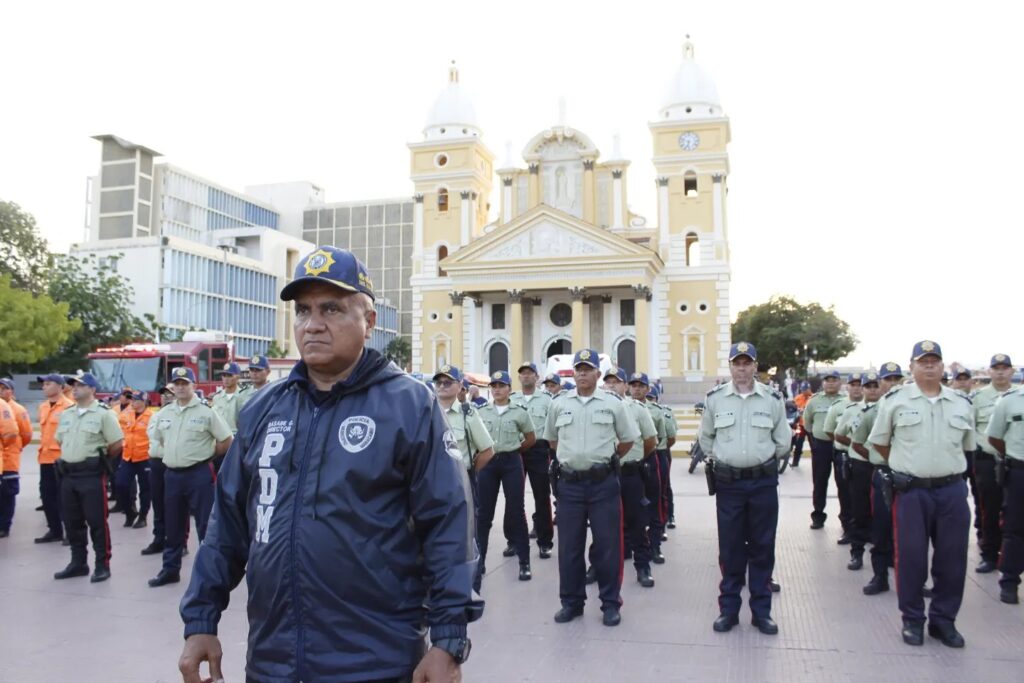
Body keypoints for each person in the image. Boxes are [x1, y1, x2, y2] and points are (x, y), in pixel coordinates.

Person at [179, 246, 481, 682]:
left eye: (332, 308)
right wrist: (201, 620)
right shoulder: (264, 408)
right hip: (273, 661)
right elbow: (227, 524)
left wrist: (449, 642)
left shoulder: (408, 405)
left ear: (369, 321)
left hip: (375, 661)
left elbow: (449, 525)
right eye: (303, 311)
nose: (313, 324)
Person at [868, 341, 973, 648]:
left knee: (952, 559)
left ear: (943, 367)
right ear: (911, 367)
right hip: (912, 492)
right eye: (922, 361)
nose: (929, 366)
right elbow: (881, 443)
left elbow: (967, 446)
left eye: (934, 361)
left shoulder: (961, 403)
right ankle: (913, 620)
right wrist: (906, 466)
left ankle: (944, 621)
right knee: (911, 558)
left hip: (952, 489)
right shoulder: (895, 400)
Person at [700, 343, 790, 635]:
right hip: (729, 484)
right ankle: (728, 610)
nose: (741, 368)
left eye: (746, 363)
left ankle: (761, 612)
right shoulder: (715, 399)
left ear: (755, 366)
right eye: (736, 363)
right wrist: (728, 460)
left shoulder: (772, 398)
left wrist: (758, 460)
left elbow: (783, 441)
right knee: (730, 549)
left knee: (763, 547)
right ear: (730, 366)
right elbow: (706, 439)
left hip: (763, 482)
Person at [546, 349, 639, 627]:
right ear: (573, 373)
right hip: (570, 486)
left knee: (608, 547)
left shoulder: (613, 403)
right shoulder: (559, 404)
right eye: (579, 369)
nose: (583, 373)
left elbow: (627, 440)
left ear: (598, 374)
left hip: (603, 485)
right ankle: (571, 603)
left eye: (588, 369)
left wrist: (602, 462)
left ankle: (610, 603)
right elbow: (552, 441)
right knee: (569, 548)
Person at [147, 367, 233, 588]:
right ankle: (170, 569)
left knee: (206, 525)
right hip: (173, 475)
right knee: (172, 524)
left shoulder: (206, 412)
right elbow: (160, 439)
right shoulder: (165, 413)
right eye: (177, 383)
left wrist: (207, 457)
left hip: (198, 474)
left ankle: (210, 573)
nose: (180, 387)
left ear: (194, 385)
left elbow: (225, 440)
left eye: (185, 383)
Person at [53, 373, 124, 582]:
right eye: (73, 385)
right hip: (68, 474)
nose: (75, 388)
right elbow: (60, 441)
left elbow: (116, 444)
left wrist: (97, 461)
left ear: (93, 389)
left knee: (97, 521)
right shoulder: (67, 414)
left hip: (91, 474)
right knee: (72, 521)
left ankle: (102, 564)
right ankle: (78, 562)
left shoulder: (104, 414)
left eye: (81, 385)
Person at [433, 364, 494, 593]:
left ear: (460, 386)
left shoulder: (468, 413)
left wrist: (467, 472)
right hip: (432, 484)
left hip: (461, 484)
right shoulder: (427, 412)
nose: (442, 386)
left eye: (448, 382)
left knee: (469, 539)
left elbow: (487, 450)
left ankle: (472, 590)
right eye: (438, 382)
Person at [476, 370, 537, 582]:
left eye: (501, 386)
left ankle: (524, 563)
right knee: (483, 514)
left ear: (510, 389)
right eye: (494, 386)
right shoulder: (481, 412)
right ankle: (479, 561)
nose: (497, 389)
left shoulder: (519, 412)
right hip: (489, 464)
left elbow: (530, 438)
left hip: (511, 461)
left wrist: (514, 450)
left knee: (516, 511)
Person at [602, 367, 658, 587]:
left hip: (630, 473)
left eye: (616, 382)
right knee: (602, 525)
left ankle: (642, 566)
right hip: (604, 475)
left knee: (636, 522)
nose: (611, 386)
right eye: (608, 382)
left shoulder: (637, 409)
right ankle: (598, 566)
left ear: (625, 386)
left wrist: (632, 459)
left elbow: (650, 441)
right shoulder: (596, 408)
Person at [851, 362, 903, 595]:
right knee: (880, 529)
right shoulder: (872, 412)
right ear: (880, 384)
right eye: (887, 380)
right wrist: (882, 459)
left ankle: (915, 579)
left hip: (910, 479)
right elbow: (858, 442)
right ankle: (880, 576)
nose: (892, 384)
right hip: (883, 475)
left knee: (911, 533)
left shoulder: (914, 407)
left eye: (896, 379)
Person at [971, 354, 1015, 574]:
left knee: (1015, 512)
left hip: (1016, 462)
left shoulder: (1019, 396)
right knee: (989, 509)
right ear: (989, 372)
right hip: (988, 461)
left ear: (1012, 371)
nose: (1000, 372)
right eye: (996, 368)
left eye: (1004, 368)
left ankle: (1011, 556)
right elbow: (969, 428)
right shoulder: (978, 398)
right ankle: (989, 555)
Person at [985, 370, 1024, 605]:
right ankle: (1009, 581)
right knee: (1015, 528)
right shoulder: (1009, 401)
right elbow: (995, 437)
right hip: (1019, 470)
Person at [512, 362, 556, 559]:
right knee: (514, 498)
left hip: (539, 450)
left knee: (541, 496)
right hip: (517, 450)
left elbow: (553, 427)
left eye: (530, 373)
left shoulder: (547, 400)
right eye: (523, 373)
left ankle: (545, 541)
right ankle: (513, 540)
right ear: (519, 377)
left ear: (537, 377)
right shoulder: (511, 399)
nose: (526, 376)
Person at [834, 373, 874, 570]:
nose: (872, 389)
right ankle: (857, 552)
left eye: (876, 385)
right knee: (859, 510)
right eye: (868, 386)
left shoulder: (890, 408)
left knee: (884, 514)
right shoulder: (852, 410)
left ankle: (886, 554)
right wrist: (858, 448)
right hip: (860, 466)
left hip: (886, 467)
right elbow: (838, 435)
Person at [628, 372, 668, 564]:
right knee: (630, 507)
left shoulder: (656, 410)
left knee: (654, 501)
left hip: (651, 458)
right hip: (631, 463)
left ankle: (655, 545)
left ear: (647, 389)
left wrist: (643, 455)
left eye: (640, 385)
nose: (636, 389)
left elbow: (659, 437)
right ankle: (627, 546)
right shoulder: (623, 408)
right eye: (633, 385)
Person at [803, 370, 848, 531]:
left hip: (841, 447)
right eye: (827, 380)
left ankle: (846, 518)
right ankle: (818, 516)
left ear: (840, 383)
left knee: (844, 484)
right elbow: (807, 423)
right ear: (823, 383)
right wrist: (814, 442)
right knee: (819, 482)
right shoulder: (814, 401)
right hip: (821, 446)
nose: (830, 383)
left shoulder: (846, 401)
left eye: (834, 380)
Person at [823, 373, 863, 545]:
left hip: (865, 458)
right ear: (847, 387)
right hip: (845, 456)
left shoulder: (875, 406)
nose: (856, 388)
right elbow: (829, 430)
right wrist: (851, 444)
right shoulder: (839, 406)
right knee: (845, 494)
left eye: (859, 384)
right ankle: (848, 529)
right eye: (852, 384)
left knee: (863, 497)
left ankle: (865, 531)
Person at [34, 374, 75, 544]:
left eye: (48, 384)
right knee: (47, 496)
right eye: (43, 384)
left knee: (65, 498)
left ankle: (70, 532)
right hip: (45, 459)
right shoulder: (43, 407)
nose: (44, 387)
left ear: (60, 386)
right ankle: (54, 530)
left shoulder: (69, 407)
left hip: (62, 459)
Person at [141, 384, 175, 556]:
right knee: (158, 503)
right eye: (164, 394)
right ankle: (159, 538)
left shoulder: (179, 415)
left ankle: (179, 541)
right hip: (155, 462)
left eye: (170, 393)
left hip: (171, 463)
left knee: (175, 505)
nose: (166, 397)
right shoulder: (156, 415)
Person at [115, 391, 152, 529]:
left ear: (144, 401)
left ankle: (143, 516)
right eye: (132, 400)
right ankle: (130, 512)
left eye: (136, 400)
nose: (133, 402)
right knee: (121, 484)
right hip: (128, 456)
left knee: (145, 489)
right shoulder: (126, 415)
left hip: (145, 457)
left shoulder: (151, 417)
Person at [791, 382, 813, 466]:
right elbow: (792, 407)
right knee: (798, 444)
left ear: (809, 389)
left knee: (813, 445)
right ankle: (795, 462)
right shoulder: (798, 398)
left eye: (806, 389)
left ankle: (816, 463)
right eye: (803, 390)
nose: (804, 391)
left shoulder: (813, 398)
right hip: (800, 425)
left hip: (810, 425)